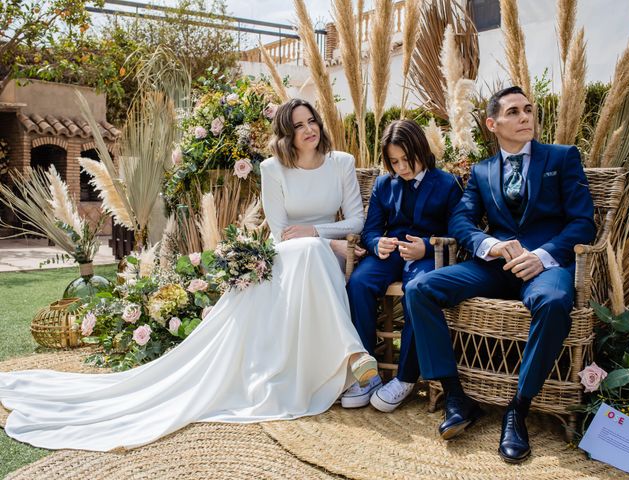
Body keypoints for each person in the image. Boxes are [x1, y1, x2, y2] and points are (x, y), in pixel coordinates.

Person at [0, 98, 377, 452]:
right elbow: (279, 233)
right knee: (306, 250)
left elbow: (357, 219)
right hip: (292, 253)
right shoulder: (271, 168)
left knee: (311, 249)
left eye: (312, 121)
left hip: (325, 253)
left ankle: (349, 356)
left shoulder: (341, 162)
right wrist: (321, 240)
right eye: (299, 125)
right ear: (286, 134)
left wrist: (319, 235)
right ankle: (352, 354)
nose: (309, 129)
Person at [405, 86, 596, 463]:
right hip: (494, 267)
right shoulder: (481, 170)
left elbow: (583, 223)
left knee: (556, 301)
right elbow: (460, 219)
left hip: (545, 267)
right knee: (420, 287)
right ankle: (456, 398)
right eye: (514, 112)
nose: (525, 117)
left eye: (528, 110)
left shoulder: (562, 158)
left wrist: (542, 257)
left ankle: (518, 409)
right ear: (493, 124)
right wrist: (488, 245)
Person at [343, 119, 463, 411]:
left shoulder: (447, 183)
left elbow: (459, 232)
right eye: (394, 162)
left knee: (416, 292)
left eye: (407, 160)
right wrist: (375, 244)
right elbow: (371, 230)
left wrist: (428, 244)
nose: (402, 168)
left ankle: (405, 378)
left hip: (427, 255)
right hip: (391, 253)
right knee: (358, 283)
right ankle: (367, 375)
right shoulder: (384, 184)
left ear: (421, 149)